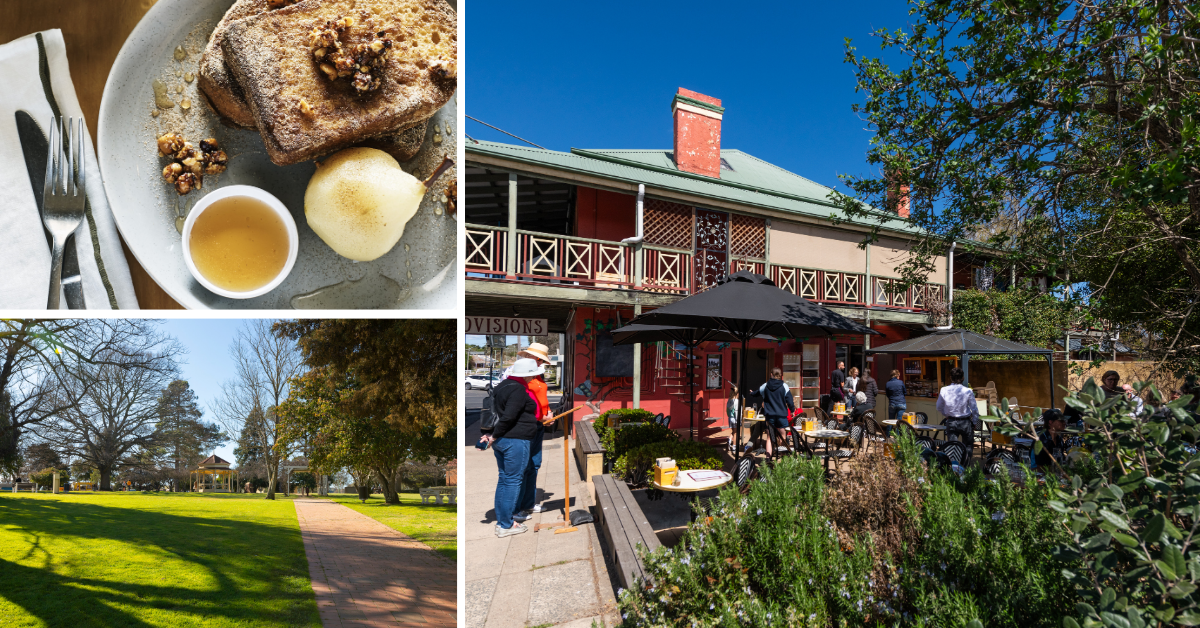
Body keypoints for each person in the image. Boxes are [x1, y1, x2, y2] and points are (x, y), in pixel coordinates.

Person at [483, 358, 542, 537]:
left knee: (505, 480)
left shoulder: (503, 386)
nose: (534, 377)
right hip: (514, 440)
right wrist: (493, 435)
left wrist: (493, 434)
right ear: (528, 374)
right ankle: (506, 525)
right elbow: (509, 417)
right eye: (533, 374)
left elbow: (493, 413)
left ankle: (504, 520)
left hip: (504, 440)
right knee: (512, 481)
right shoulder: (517, 389)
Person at [514, 343, 554, 520]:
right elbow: (522, 403)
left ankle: (528, 503)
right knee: (524, 466)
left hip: (540, 423)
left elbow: (540, 397)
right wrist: (539, 416)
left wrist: (548, 411)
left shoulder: (538, 375)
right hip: (530, 424)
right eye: (539, 360)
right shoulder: (521, 377)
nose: (540, 363)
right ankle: (518, 506)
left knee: (534, 465)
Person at [936, 367, 980, 461]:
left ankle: (954, 468)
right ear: (962, 378)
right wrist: (974, 421)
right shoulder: (968, 391)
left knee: (952, 447)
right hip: (965, 421)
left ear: (951, 377)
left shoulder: (944, 390)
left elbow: (938, 406)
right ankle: (966, 465)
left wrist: (947, 415)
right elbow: (974, 409)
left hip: (951, 421)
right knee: (968, 445)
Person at [758, 368, 796, 456]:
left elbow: (757, 392)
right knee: (782, 437)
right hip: (781, 415)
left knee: (769, 438)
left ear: (771, 374)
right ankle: (782, 457)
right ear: (780, 375)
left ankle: (768, 459)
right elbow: (789, 400)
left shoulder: (766, 385)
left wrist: (752, 393)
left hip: (770, 415)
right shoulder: (784, 385)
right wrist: (792, 410)